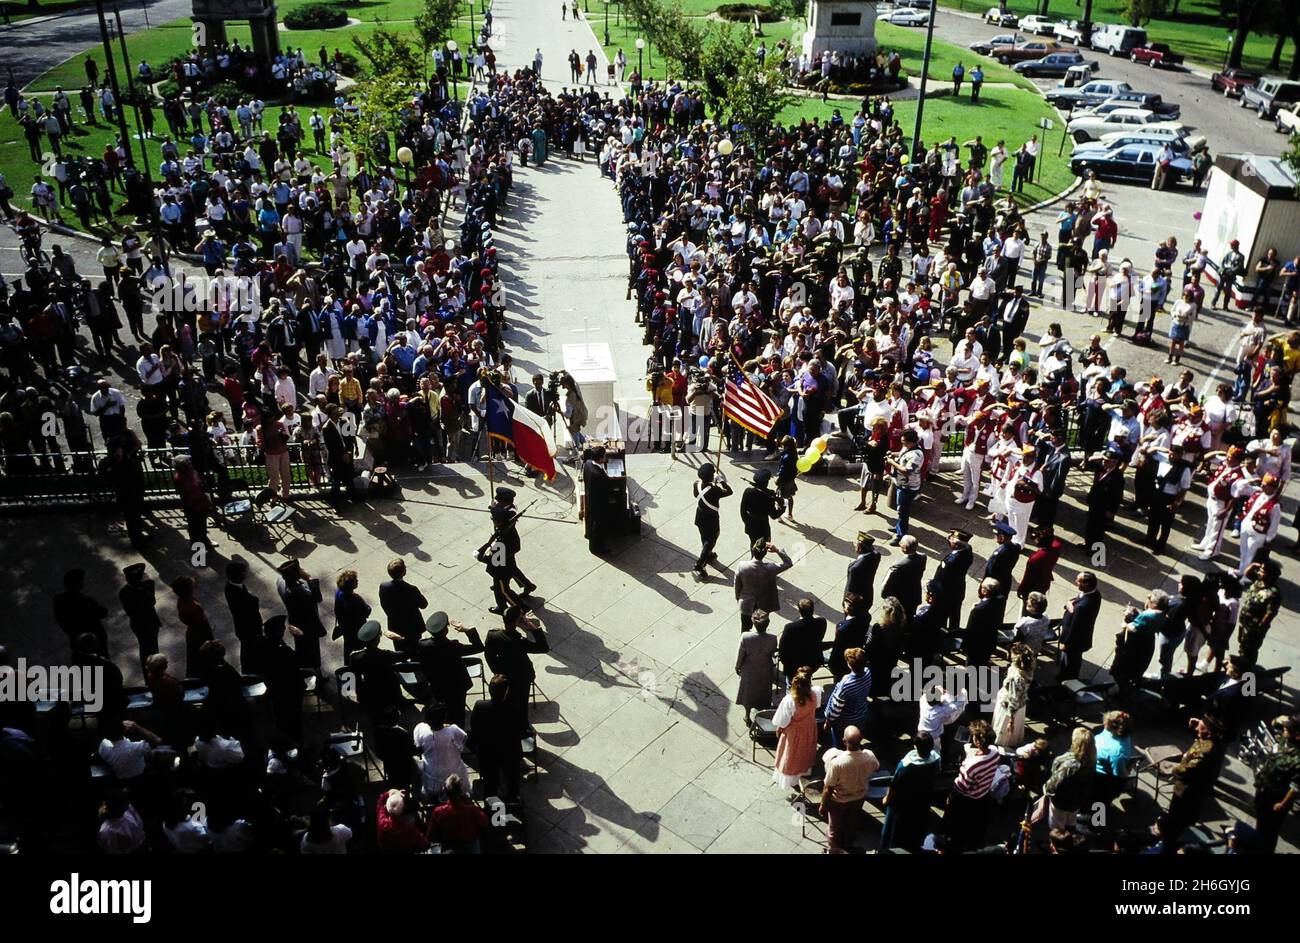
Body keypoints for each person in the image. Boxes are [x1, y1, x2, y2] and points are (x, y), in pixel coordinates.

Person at [1158, 715, 1227, 842]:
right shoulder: (1209, 739)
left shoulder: (1208, 750)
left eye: (1200, 728)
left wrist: (1171, 770)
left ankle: (1173, 840)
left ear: (1209, 731)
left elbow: (1189, 770)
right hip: (1191, 787)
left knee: (1178, 816)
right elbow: (1198, 742)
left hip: (1188, 790)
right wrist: (1195, 726)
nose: (1197, 730)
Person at [484, 606, 549, 736]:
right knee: (522, 704)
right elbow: (543, 647)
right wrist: (533, 628)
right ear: (517, 622)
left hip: (503, 677)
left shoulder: (493, 635)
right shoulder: (518, 641)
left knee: (507, 700)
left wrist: (497, 672)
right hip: (522, 677)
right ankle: (522, 728)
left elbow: (488, 656)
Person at [415, 611, 484, 729]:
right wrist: (467, 630)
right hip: (457, 687)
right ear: (446, 630)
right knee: (458, 714)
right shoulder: (453, 646)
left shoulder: (423, 645)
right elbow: (479, 647)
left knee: (444, 711)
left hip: (438, 686)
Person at [942, 719, 1000, 852]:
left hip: (968, 800)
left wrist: (951, 797)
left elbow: (961, 787)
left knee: (959, 827)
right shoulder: (995, 752)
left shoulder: (971, 764)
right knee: (976, 827)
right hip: (983, 795)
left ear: (977, 741)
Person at [819, 725, 879, 853]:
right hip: (858, 798)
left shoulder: (837, 763)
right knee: (851, 823)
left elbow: (828, 788)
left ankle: (834, 850)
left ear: (844, 741)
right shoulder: (869, 756)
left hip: (839, 801)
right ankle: (848, 845)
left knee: (834, 827)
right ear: (861, 739)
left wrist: (823, 804)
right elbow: (876, 767)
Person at [879, 732, 942, 853]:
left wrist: (886, 799)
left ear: (915, 746)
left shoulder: (906, 766)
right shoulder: (936, 759)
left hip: (903, 805)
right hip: (922, 802)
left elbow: (894, 785)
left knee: (895, 833)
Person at [467, 674, 523, 801]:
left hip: (488, 752)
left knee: (490, 783)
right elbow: (521, 728)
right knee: (512, 782)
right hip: (509, 751)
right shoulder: (513, 708)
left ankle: (491, 810)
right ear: (506, 691)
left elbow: (474, 729)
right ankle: (513, 804)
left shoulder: (480, 706)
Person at [1251, 714, 1300, 852]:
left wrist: (1283, 804)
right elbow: (1275, 724)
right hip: (1264, 789)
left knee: (1269, 832)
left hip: (1276, 799)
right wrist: (1281, 720)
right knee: (1260, 824)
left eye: (1288, 730)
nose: (1285, 731)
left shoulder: (1297, 758)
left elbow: (1295, 787)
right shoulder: (1287, 739)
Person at [772, 666, 821, 792]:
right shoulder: (815, 693)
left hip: (794, 731)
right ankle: (803, 772)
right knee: (805, 751)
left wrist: (780, 728)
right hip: (809, 726)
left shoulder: (790, 701)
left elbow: (782, 721)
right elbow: (817, 705)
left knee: (791, 754)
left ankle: (791, 778)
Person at [413, 703, 469, 803]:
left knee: (432, 797)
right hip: (452, 769)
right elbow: (464, 741)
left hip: (433, 771)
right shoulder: (453, 730)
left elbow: (418, 748)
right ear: (445, 717)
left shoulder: (421, 730)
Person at [1042, 727, 1096, 830]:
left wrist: (1045, 789)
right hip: (1076, 801)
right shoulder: (1091, 760)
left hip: (1061, 802)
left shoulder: (1069, 765)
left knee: (1057, 826)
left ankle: (1057, 843)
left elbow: (1053, 786)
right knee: (1071, 821)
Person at [733, 539, 793, 632]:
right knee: (761, 630)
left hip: (746, 604)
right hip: (764, 606)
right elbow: (788, 563)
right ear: (765, 553)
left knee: (745, 630)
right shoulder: (770, 568)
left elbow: (737, 585)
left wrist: (738, 598)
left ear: (753, 549)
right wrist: (777, 550)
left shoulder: (742, 566)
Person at [276, 558, 326, 670]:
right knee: (313, 652)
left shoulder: (280, 581)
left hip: (295, 621)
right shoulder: (298, 592)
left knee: (302, 649)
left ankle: (310, 669)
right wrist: (309, 578)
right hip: (308, 626)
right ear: (296, 574)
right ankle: (317, 675)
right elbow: (318, 598)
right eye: (299, 570)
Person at [735, 609, 778, 723]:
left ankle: (747, 715)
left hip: (749, 670)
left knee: (748, 693)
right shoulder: (772, 638)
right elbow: (772, 652)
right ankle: (763, 714)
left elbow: (740, 655)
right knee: (763, 692)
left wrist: (737, 666)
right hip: (765, 669)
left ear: (753, 622)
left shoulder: (745, 636)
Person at [378, 557, 429, 653]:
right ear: (404, 572)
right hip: (412, 627)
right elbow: (424, 604)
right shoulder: (411, 589)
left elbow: (384, 604)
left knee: (399, 650)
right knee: (416, 650)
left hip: (395, 625)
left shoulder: (384, 586)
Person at [1236, 559, 1281, 665]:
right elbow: (1247, 573)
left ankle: (1246, 672)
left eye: (1262, 571)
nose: (1259, 572)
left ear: (1269, 575)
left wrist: (1258, 629)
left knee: (1249, 651)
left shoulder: (1273, 593)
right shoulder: (1259, 581)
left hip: (1254, 629)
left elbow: (1270, 613)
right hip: (1245, 623)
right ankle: (1241, 667)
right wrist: (1252, 565)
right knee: (1242, 646)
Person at [429, 774, 489, 853]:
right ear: (461, 791)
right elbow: (484, 824)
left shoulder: (438, 812)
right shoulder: (472, 810)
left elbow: (431, 835)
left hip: (448, 847)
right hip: (469, 846)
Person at [117, 562, 160, 670]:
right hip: (146, 624)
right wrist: (150, 586)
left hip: (139, 624)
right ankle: (154, 670)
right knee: (151, 649)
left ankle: (152, 670)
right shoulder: (143, 589)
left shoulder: (124, 591)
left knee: (146, 648)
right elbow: (151, 602)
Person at [885, 427, 925, 544]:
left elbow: (907, 471)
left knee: (903, 511)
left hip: (908, 487)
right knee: (900, 509)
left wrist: (892, 462)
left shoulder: (916, 455)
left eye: (904, 442)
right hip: (901, 483)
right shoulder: (908, 447)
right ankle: (899, 527)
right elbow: (903, 454)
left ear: (912, 442)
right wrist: (893, 454)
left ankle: (900, 535)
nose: (903, 444)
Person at [1059, 571, 1101, 681]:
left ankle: (1066, 681)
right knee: (1073, 661)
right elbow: (1076, 601)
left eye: (1079, 581)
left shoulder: (1082, 607)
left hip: (1073, 642)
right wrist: (1070, 606)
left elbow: (1075, 628)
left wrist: (1066, 644)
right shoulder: (1094, 594)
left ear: (1086, 585)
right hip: (1082, 638)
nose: (1076, 582)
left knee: (1069, 662)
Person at [992, 643, 1035, 748]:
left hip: (1008, 708)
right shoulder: (1027, 669)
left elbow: (1014, 699)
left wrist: (1011, 720)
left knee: (1004, 731)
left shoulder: (1016, 677)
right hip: (1021, 705)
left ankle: (1003, 745)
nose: (1009, 654)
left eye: (1011, 653)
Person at [933, 529, 973, 632]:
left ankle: (942, 633)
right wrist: (951, 539)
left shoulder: (951, 561)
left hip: (946, 593)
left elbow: (942, 578)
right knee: (955, 614)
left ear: (956, 545)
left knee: (942, 615)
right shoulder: (967, 550)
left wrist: (931, 586)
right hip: (958, 589)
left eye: (952, 540)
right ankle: (954, 632)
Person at [881, 535, 925, 615]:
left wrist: (884, 594)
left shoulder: (898, 565)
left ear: (905, 548)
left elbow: (887, 583)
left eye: (901, 543)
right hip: (914, 594)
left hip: (900, 598)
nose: (900, 544)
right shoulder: (923, 557)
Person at [740, 468, 784, 546]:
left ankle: (753, 557)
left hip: (750, 524)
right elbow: (774, 515)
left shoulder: (748, 491)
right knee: (762, 547)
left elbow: (742, 510)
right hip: (762, 526)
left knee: (753, 543)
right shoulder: (769, 496)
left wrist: (746, 521)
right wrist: (783, 507)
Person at [580, 445, 612, 554]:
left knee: (591, 520)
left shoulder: (588, 463)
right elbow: (607, 488)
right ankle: (596, 548)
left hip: (591, 498)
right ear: (601, 458)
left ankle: (589, 536)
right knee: (598, 526)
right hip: (599, 504)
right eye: (604, 456)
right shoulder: (598, 475)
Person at [844, 533, 881, 609]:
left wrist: (845, 603)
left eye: (856, 545)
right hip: (868, 597)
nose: (854, 546)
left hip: (855, 603)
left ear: (859, 548)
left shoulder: (855, 568)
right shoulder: (876, 555)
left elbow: (850, 590)